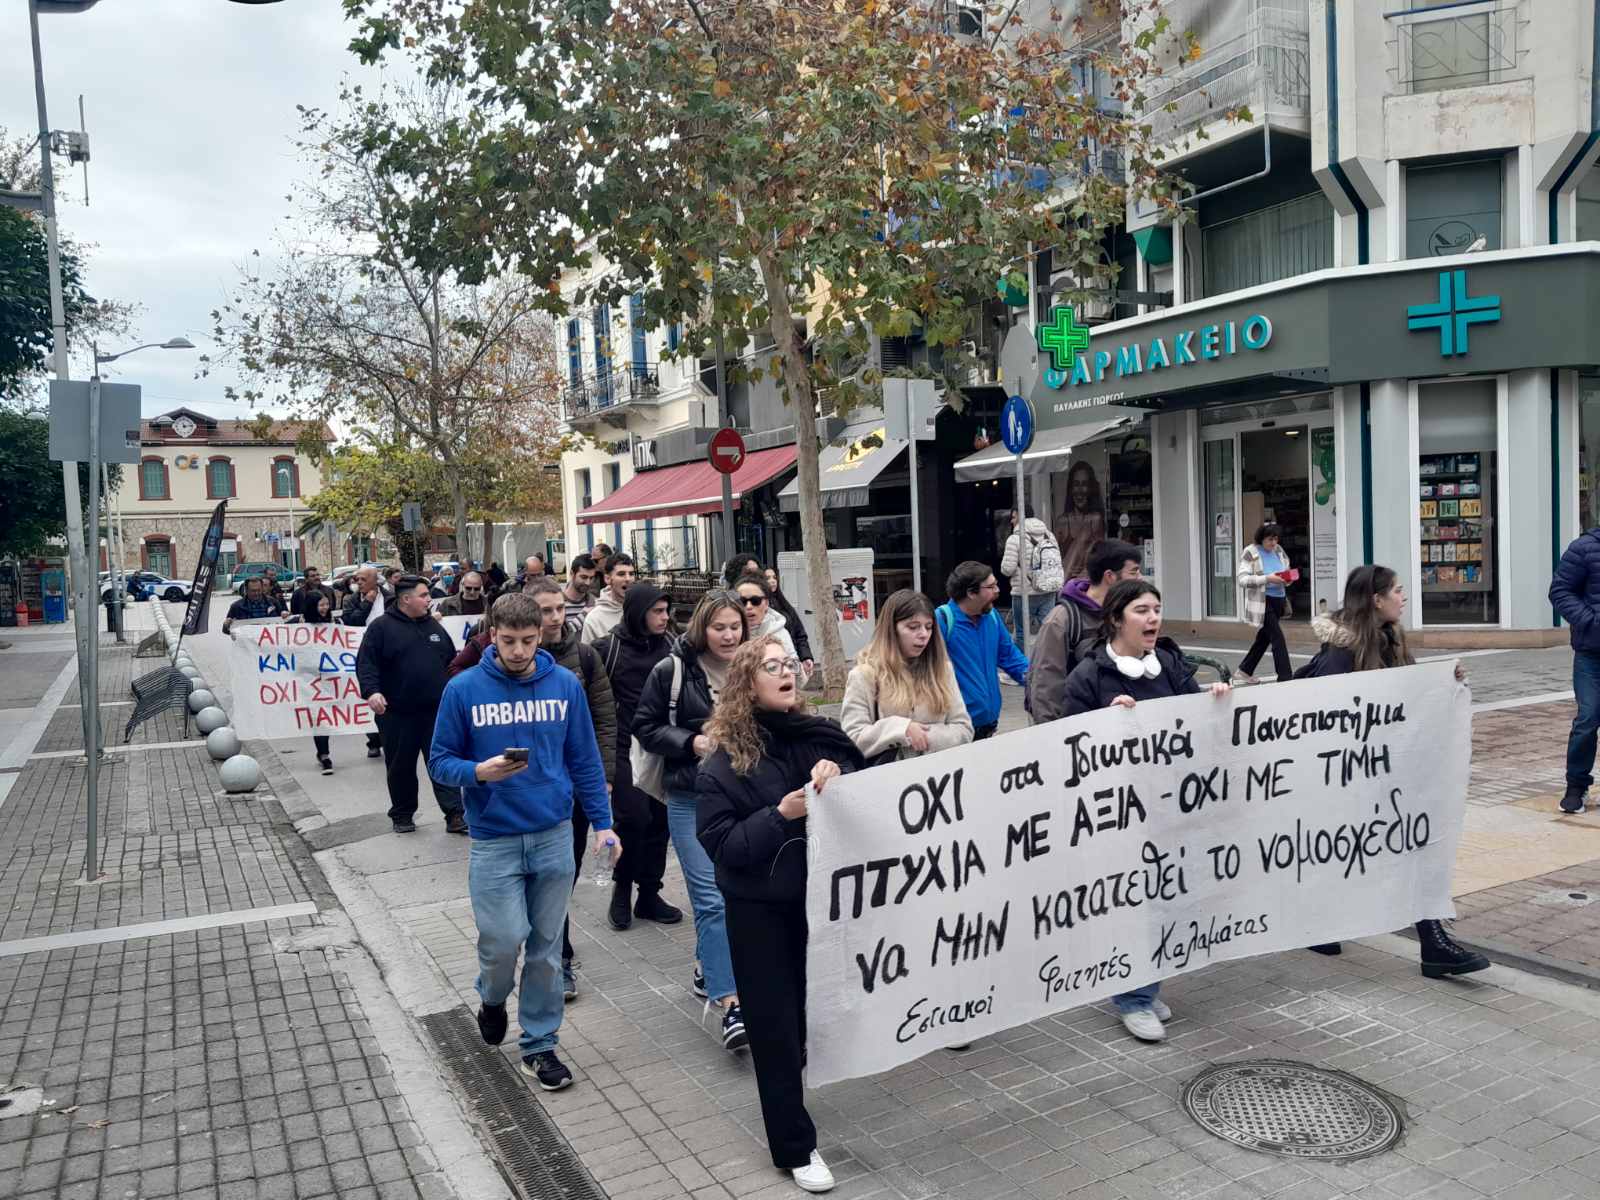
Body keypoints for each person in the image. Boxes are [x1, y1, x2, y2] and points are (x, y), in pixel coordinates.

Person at [428, 591, 617, 1091]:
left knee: (546, 949)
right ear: (492, 635)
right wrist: (479, 772)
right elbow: (439, 761)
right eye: (508, 640)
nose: (517, 651)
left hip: (554, 834)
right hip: (494, 839)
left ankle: (540, 1043)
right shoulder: (463, 689)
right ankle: (492, 997)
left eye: (528, 641)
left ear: (541, 636)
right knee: (503, 939)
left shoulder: (564, 685)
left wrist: (604, 824)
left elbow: (584, 758)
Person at [697, 636, 863, 1193]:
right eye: (772, 666)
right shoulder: (722, 764)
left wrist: (837, 767)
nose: (786, 672)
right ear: (747, 685)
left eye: (789, 663)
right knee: (775, 1033)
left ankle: (795, 1080)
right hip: (760, 912)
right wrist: (781, 814)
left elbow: (857, 769)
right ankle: (795, 1147)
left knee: (807, 1020)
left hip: (819, 904)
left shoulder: (813, 733)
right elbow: (723, 845)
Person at [1060, 578, 1231, 1042]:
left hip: (1170, 804)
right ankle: (1133, 997)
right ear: (1116, 619)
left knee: (1164, 897)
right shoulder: (1089, 677)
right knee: (1134, 902)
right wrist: (1106, 725)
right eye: (1141, 610)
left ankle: (1144, 984)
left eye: (1156, 608)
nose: (1153, 618)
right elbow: (1069, 748)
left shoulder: (1169, 665)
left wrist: (1215, 700)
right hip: (1119, 814)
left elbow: (1194, 719)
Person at [1298, 565, 1489, 979]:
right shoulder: (1339, 653)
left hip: (1388, 773)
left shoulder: (1392, 640)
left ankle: (1433, 944)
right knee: (1347, 849)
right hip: (1348, 776)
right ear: (1376, 599)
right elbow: (1324, 716)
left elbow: (1413, 694)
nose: (1403, 597)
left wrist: (1446, 682)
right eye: (1397, 591)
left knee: (1410, 846)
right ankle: (1318, 920)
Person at [634, 590, 748, 1051]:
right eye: (720, 627)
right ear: (703, 627)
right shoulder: (673, 670)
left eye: (735, 627)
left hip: (744, 797)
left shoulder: (755, 666)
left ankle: (708, 965)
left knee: (734, 893)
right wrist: (691, 742)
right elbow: (645, 725)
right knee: (711, 899)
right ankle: (731, 1004)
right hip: (690, 796)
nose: (728, 635)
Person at [513, 578, 619, 1002]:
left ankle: (559, 956)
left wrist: (604, 778)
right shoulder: (506, 659)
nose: (556, 617)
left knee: (561, 875)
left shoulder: (586, 657)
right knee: (532, 878)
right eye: (546, 610)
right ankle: (540, 946)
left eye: (559, 608)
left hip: (571, 788)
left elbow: (605, 719)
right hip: (520, 791)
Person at [592, 583, 682, 931]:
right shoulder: (608, 649)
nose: (665, 617)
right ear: (637, 612)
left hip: (661, 746)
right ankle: (622, 888)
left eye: (666, 610)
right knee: (633, 819)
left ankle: (649, 894)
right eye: (657, 611)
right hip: (623, 747)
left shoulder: (672, 646)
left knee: (660, 822)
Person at [355, 575, 468, 836]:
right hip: (397, 714)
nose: (429, 600)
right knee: (400, 766)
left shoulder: (434, 627)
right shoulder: (381, 628)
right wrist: (372, 692)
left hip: (435, 712)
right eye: (424, 595)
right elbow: (366, 664)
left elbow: (451, 662)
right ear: (406, 599)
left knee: (442, 762)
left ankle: (455, 814)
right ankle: (403, 814)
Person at [841, 589, 972, 763]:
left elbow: (964, 730)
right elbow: (852, 739)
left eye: (928, 627)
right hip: (885, 776)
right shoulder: (864, 675)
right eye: (913, 627)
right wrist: (901, 729)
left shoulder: (943, 670)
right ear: (891, 629)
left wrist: (925, 737)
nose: (923, 634)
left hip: (937, 775)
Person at [1028, 540, 1143, 724]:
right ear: (1110, 576)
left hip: (1122, 727)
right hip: (1079, 731)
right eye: (1134, 572)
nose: (1140, 578)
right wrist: (1055, 734)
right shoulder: (1062, 620)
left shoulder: (1128, 615)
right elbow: (1045, 687)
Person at [935, 562, 1028, 740]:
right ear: (971, 593)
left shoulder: (991, 617)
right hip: (956, 729)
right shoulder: (942, 621)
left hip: (989, 724)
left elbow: (1009, 656)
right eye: (991, 587)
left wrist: (1036, 680)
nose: (997, 590)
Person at [1549, 529, 1600, 812]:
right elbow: (1560, 591)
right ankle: (1576, 787)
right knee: (1588, 719)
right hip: (1592, 654)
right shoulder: (1584, 547)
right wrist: (1590, 621)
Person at [341, 566, 392, 759]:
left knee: (386, 698)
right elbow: (350, 622)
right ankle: (373, 741)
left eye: (363, 579)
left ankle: (387, 739)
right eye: (357, 580)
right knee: (368, 697)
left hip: (388, 655)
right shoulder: (351, 600)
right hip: (363, 655)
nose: (359, 583)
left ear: (375, 580)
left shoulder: (389, 598)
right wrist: (367, 603)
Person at [1235, 522, 1294, 685]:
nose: (1273, 543)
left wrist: (1287, 578)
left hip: (1279, 601)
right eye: (1270, 540)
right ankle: (1285, 677)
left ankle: (1244, 670)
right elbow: (1242, 579)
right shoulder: (1251, 552)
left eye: (1276, 539)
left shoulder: (1279, 550)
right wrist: (1267, 578)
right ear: (1261, 538)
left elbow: (1286, 571)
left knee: (1264, 638)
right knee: (1277, 638)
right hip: (1263, 602)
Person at [1001, 504, 1065, 652]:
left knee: (1022, 633)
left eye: (1013, 517)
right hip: (1047, 590)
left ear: (1021, 516)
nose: (1011, 521)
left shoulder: (1014, 539)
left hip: (1023, 593)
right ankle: (1046, 661)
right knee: (1046, 631)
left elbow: (1007, 569)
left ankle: (1024, 664)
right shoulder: (1049, 535)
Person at [294, 590, 340, 775]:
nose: (325, 608)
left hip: (332, 679)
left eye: (326, 604)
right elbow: (270, 638)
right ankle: (324, 754)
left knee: (332, 714)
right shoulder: (297, 623)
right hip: (309, 680)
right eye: (321, 605)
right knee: (319, 717)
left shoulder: (336, 623)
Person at [1054, 461, 1107, 582]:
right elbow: (1055, 558)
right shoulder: (1062, 521)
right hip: (1065, 581)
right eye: (1076, 484)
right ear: (1071, 489)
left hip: (1086, 582)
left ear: (1091, 489)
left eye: (1085, 484)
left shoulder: (1095, 520)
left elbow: (1098, 557)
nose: (1080, 490)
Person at [762, 564, 814, 675]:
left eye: (774, 577)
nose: (772, 581)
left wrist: (805, 657)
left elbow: (799, 634)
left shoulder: (784, 604)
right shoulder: (760, 609)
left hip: (791, 663)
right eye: (767, 578)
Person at [733, 573, 797, 660]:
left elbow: (794, 665)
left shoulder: (780, 633)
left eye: (755, 601)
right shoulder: (728, 634)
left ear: (766, 603)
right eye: (742, 601)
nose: (749, 606)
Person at [580, 552, 635, 644]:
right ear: (607, 579)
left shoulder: (642, 610)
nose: (628, 579)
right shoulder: (594, 619)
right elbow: (588, 652)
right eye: (621, 574)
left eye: (631, 574)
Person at [563, 554, 599, 631]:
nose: (588, 583)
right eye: (584, 577)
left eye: (591, 578)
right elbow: (559, 635)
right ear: (572, 574)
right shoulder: (557, 602)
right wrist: (583, 616)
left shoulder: (595, 603)